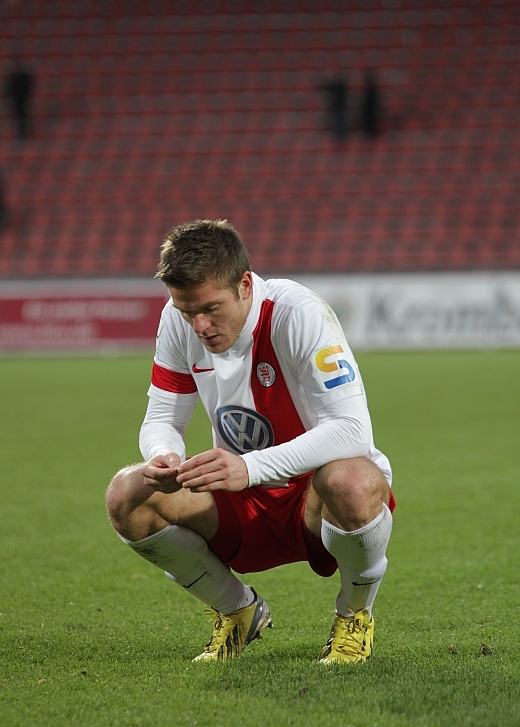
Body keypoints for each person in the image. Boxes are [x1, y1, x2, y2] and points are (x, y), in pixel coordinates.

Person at [106, 219, 395, 664]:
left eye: (211, 308)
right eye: (186, 311)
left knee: (352, 481)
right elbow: (162, 417)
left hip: (313, 497)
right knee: (128, 494)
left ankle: (354, 615)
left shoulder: (297, 314)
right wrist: (165, 456)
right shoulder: (179, 321)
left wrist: (250, 467)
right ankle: (238, 611)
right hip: (240, 496)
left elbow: (351, 429)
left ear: (244, 285)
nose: (199, 325)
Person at [5, 63, 34, 139]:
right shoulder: (14, 78)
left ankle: (24, 129)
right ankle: (20, 129)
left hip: (23, 99)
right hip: (16, 99)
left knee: (23, 113)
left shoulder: (23, 77)